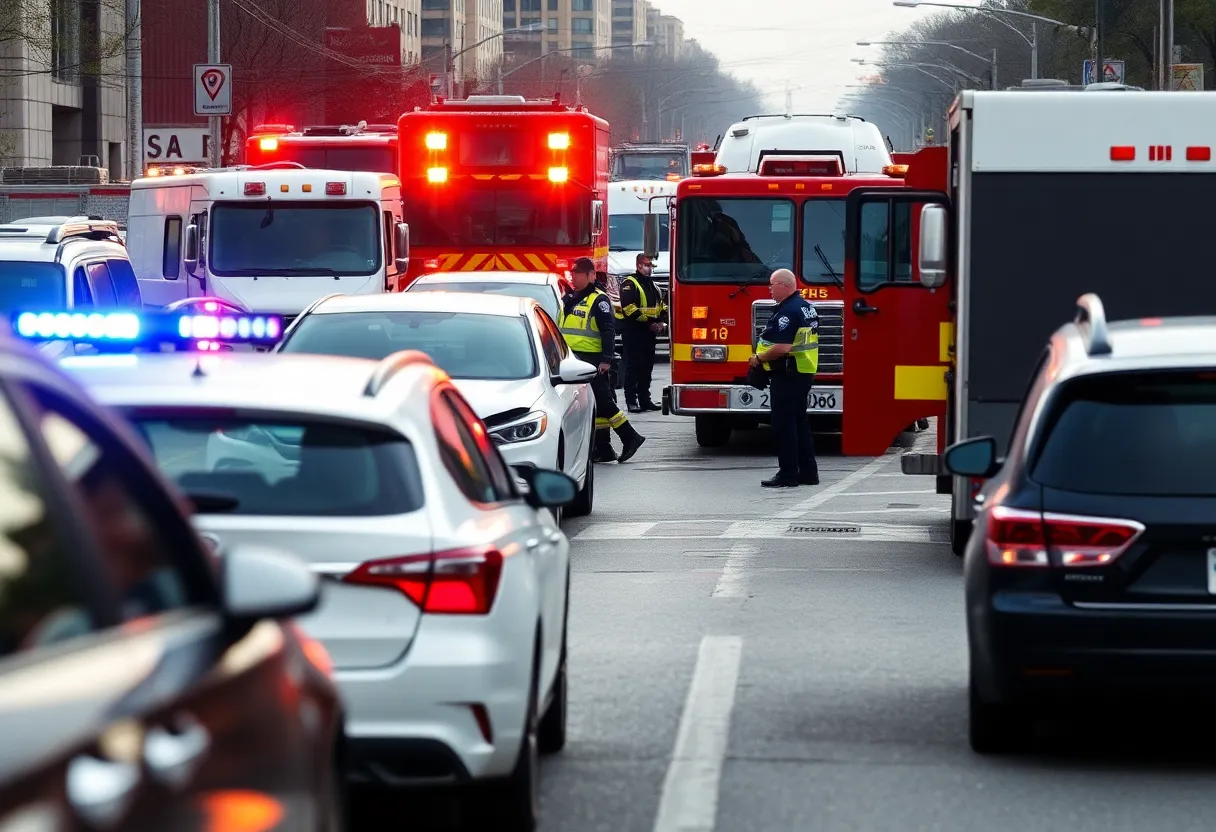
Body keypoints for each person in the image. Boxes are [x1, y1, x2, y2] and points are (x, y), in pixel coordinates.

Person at [560, 257, 645, 463]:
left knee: (604, 402)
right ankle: (604, 448)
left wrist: (606, 359)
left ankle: (630, 437)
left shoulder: (599, 300)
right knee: (596, 402)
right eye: (573, 273)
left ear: (590, 275)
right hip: (574, 358)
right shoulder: (572, 298)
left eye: (578, 273)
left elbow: (608, 330)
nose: (574, 276)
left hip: (593, 360)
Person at [749, 269, 819, 488]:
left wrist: (758, 358)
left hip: (787, 374)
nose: (769, 289)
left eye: (772, 285)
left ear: (785, 286)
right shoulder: (806, 307)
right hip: (802, 372)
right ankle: (808, 472)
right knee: (799, 422)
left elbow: (782, 347)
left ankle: (787, 474)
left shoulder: (788, 311)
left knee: (784, 425)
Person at [616, 252, 666, 412]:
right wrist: (650, 323)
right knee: (633, 366)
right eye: (647, 265)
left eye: (651, 266)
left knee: (647, 368)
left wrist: (661, 323)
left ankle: (645, 399)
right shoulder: (629, 284)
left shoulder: (653, 286)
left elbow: (661, 307)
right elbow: (629, 309)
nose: (650, 268)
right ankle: (631, 401)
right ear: (639, 266)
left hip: (649, 334)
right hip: (633, 333)